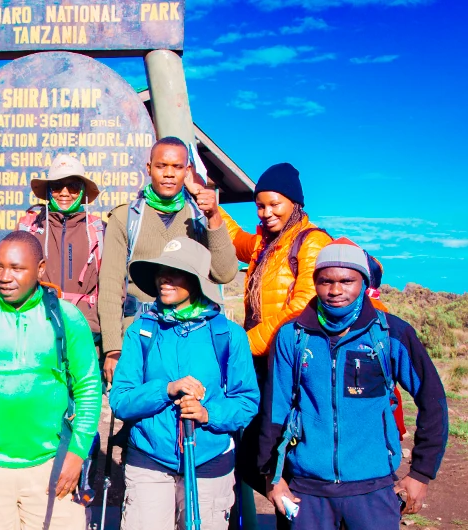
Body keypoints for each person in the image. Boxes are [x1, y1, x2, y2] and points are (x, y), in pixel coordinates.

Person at [258, 239, 448, 530]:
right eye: (325, 281)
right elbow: (275, 411)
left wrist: (421, 473)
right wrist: (273, 477)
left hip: (373, 490)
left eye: (347, 281)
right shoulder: (292, 336)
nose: (335, 291)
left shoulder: (391, 334)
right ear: (315, 282)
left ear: (363, 281)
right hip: (307, 491)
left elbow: (433, 400)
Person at [0, 231, 102, 530]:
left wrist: (77, 453)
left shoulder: (67, 318)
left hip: (52, 465)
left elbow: (89, 387)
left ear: (40, 269)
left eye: (16, 268)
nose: (4, 277)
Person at [110, 237, 259, 530]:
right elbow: (120, 401)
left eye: (175, 271)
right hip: (149, 460)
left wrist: (208, 414)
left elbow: (246, 402)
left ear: (196, 280)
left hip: (210, 460)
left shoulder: (229, 335)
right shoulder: (140, 331)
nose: (164, 278)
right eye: (161, 270)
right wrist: (166, 389)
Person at [218, 163, 333, 505]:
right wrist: (210, 207)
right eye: (260, 205)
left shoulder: (312, 243)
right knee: (253, 452)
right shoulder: (266, 244)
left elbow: (301, 307)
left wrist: (245, 343)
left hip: (290, 365)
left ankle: (304, 513)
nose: (266, 212)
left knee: (278, 451)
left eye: (274, 204)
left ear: (294, 203)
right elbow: (235, 239)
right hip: (263, 364)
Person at [98, 136, 238, 384]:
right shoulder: (126, 218)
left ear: (187, 171)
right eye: (162, 166)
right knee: (140, 411)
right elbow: (109, 285)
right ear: (149, 168)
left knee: (188, 411)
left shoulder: (198, 216)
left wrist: (214, 217)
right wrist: (113, 348)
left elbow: (224, 273)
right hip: (140, 334)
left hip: (191, 334)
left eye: (176, 167)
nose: (169, 174)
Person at [18, 153, 106, 353]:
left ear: (83, 191)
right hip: (37, 335)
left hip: (87, 336)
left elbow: (112, 291)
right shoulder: (29, 227)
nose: (65, 193)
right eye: (57, 186)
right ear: (48, 190)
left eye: (73, 186)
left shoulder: (100, 231)